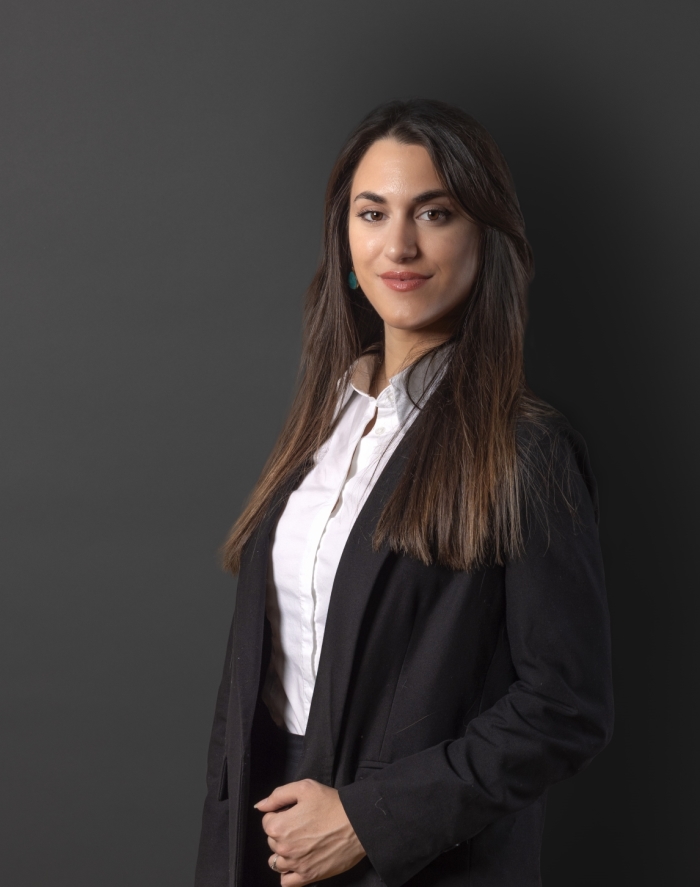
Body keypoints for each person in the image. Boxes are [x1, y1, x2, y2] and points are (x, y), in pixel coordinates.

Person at [194, 99, 614, 887]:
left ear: (484, 236)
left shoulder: (528, 452)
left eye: (435, 212)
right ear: (345, 240)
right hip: (265, 838)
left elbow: (566, 705)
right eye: (373, 212)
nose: (400, 244)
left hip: (415, 858)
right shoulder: (320, 428)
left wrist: (368, 819)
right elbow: (252, 677)